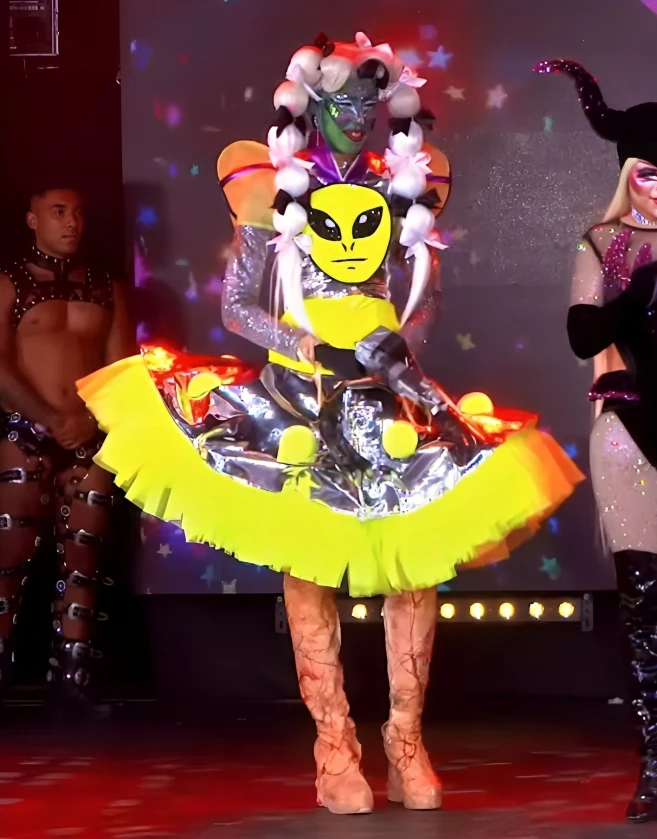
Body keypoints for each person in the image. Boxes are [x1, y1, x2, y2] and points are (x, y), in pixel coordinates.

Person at [78, 33, 582, 815]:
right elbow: (237, 306)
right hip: (300, 400)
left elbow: (423, 298)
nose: (356, 116)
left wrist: (395, 346)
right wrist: (307, 345)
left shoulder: (402, 185)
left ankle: (407, 742)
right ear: (313, 106)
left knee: (414, 562)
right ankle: (334, 747)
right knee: (309, 563)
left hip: (385, 398)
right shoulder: (275, 188)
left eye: (368, 104)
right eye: (341, 103)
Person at [536, 58, 657, 824]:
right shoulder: (604, 242)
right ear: (628, 171)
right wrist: (638, 291)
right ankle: (655, 762)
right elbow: (582, 333)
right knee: (645, 602)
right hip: (633, 431)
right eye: (651, 171)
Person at [0, 184, 135, 709]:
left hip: (87, 436)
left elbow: (123, 371)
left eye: (78, 213)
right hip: (24, 431)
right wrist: (48, 417)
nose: (72, 222)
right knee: (8, 556)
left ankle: (75, 677)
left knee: (83, 558)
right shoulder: (9, 282)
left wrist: (87, 420)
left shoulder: (107, 288)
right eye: (59, 212)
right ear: (32, 220)